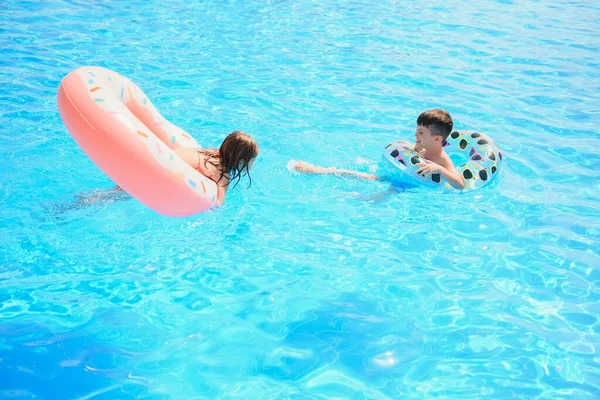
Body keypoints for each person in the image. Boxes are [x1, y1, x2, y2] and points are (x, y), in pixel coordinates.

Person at [292, 109, 465, 191]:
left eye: (421, 132)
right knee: (369, 176)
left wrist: (440, 169)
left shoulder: (442, 159)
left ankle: (319, 171)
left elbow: (460, 184)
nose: (415, 134)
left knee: (387, 187)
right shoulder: (420, 146)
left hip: (411, 185)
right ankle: (322, 171)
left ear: (437, 139)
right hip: (397, 177)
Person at [80, 131, 259, 206]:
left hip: (148, 162)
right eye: (252, 161)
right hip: (155, 176)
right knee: (117, 197)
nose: (253, 165)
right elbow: (218, 203)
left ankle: (84, 200)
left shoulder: (210, 152)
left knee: (112, 193)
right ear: (241, 161)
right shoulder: (223, 175)